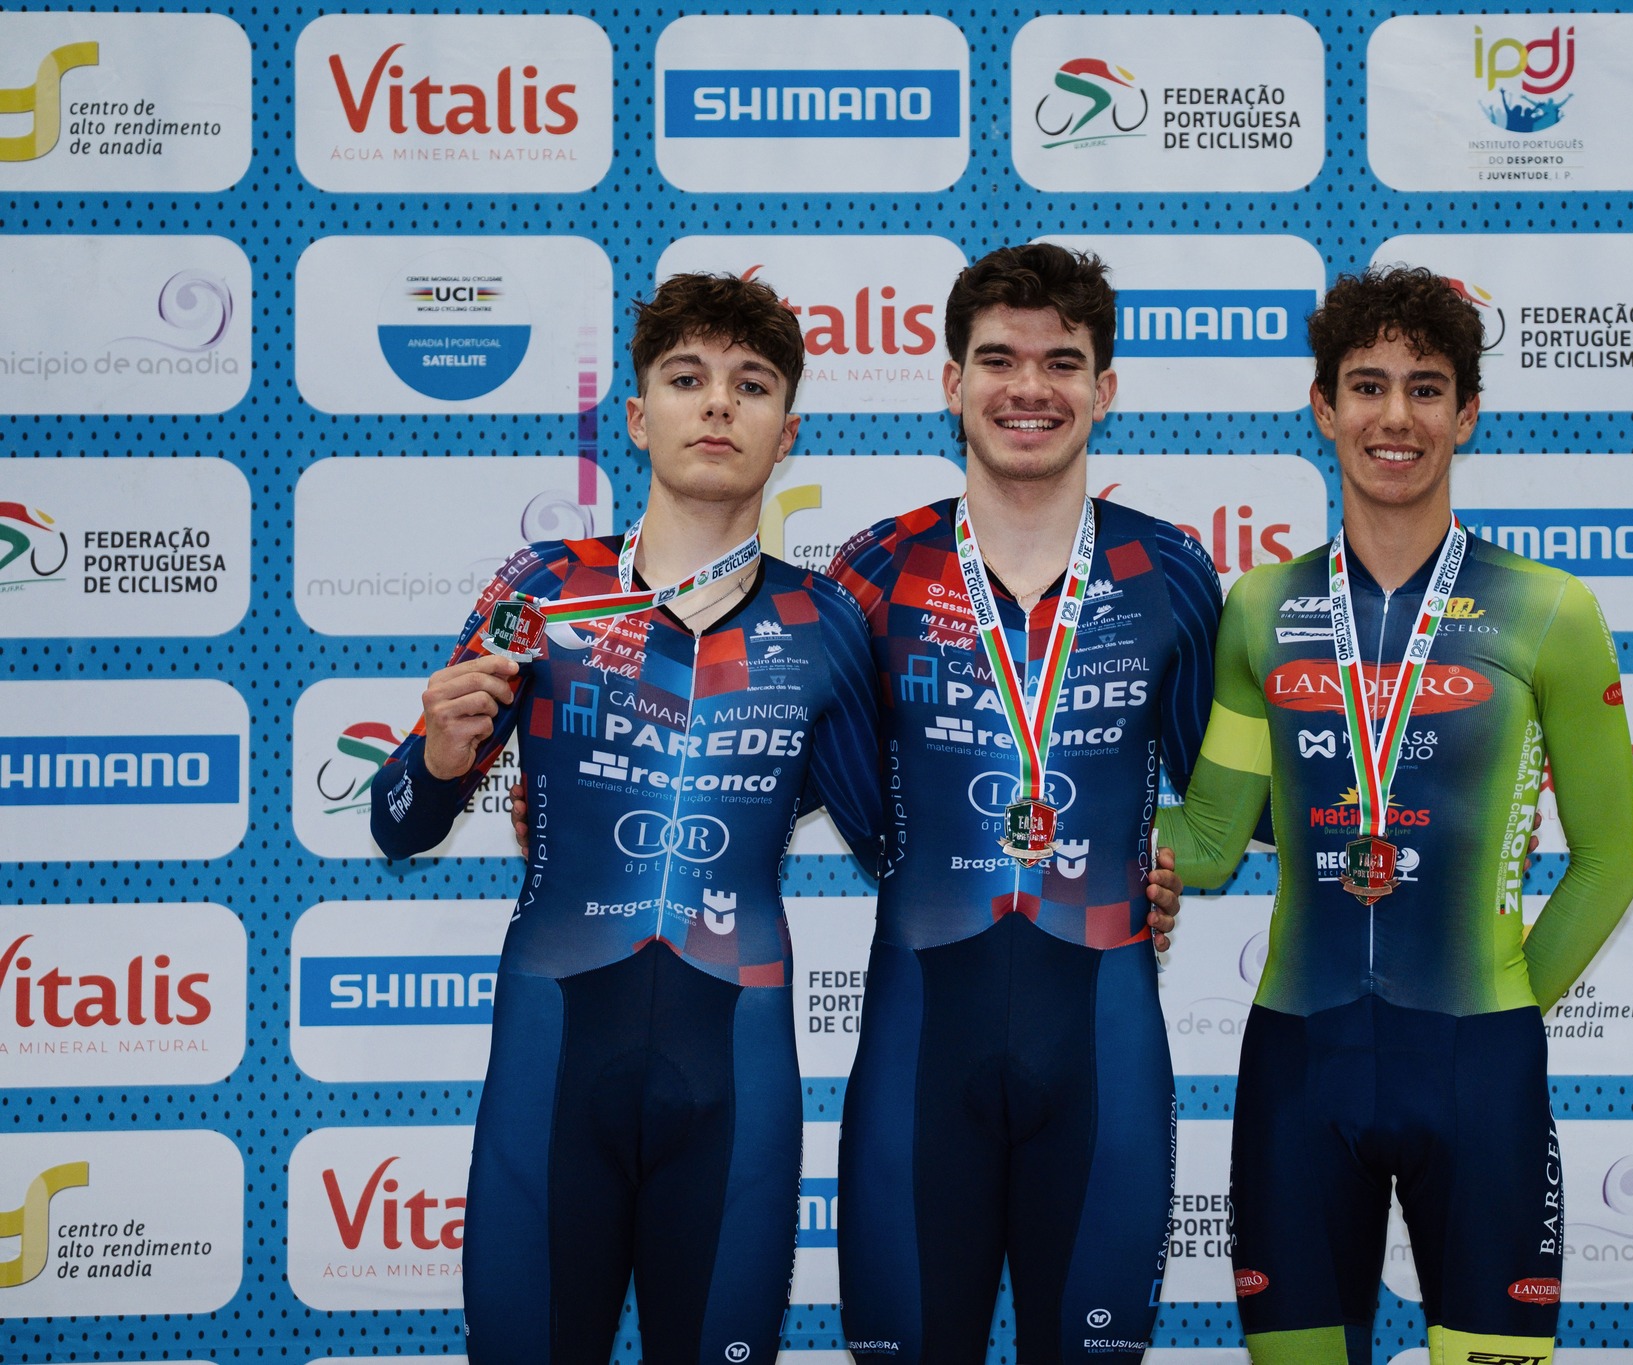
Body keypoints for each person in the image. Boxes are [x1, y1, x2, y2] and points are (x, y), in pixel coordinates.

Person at [370, 272, 884, 1365]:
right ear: (639, 416)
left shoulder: (825, 618)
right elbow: (399, 823)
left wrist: (1121, 875)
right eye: (686, 379)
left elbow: (903, 846)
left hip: (732, 1067)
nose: (715, 406)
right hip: (554, 1056)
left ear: (785, 431)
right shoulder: (544, 586)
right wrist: (442, 756)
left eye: (749, 386)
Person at [1155, 265, 1633, 1365]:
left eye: (1425, 389)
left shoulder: (1550, 611)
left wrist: (1504, 1006)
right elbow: (1210, 840)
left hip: (1477, 1072)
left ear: (1465, 414)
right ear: (1321, 407)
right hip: (1297, 1067)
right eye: (1365, 386)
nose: (1393, 417)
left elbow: (1610, 863)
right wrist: (1052, 816)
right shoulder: (1260, 609)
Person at [825, 243, 1221, 1364]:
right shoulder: (874, 570)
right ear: (951, 383)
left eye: (1062, 362)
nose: (1028, 388)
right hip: (919, 1042)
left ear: (1104, 389)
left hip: (1100, 1039)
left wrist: (1165, 864)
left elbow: (1223, 797)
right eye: (996, 359)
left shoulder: (1171, 571)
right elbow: (777, 762)